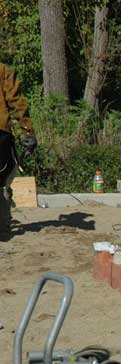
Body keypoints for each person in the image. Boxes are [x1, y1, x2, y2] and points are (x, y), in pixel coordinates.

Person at [0, 62, 36, 241]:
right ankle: (3, 229)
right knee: (2, 182)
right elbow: (16, 102)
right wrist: (27, 131)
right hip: (1, 133)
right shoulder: (3, 70)